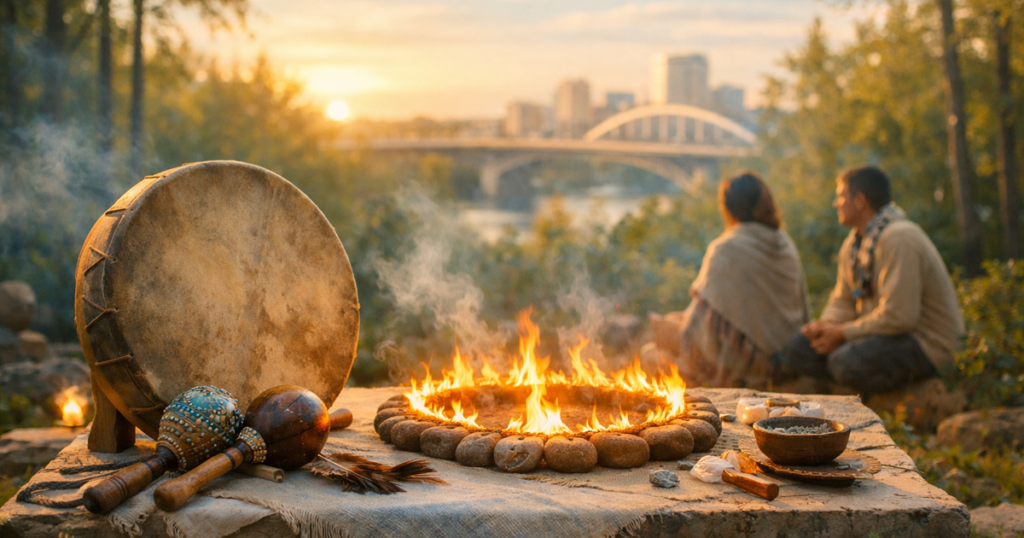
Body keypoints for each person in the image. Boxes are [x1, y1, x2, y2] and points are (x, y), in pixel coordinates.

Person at [778, 165, 964, 397]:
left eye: (840, 196)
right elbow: (843, 300)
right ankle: (854, 384)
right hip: (880, 335)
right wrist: (826, 326)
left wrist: (843, 333)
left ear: (860, 201)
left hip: (925, 344)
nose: (836, 204)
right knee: (798, 348)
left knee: (843, 362)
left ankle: (879, 396)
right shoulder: (854, 244)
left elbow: (900, 317)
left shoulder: (899, 238)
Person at [651, 171, 809, 388]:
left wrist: (667, 326)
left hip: (751, 363)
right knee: (675, 324)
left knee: (652, 353)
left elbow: (701, 324)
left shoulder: (726, 249)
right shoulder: (785, 242)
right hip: (788, 356)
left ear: (729, 208)